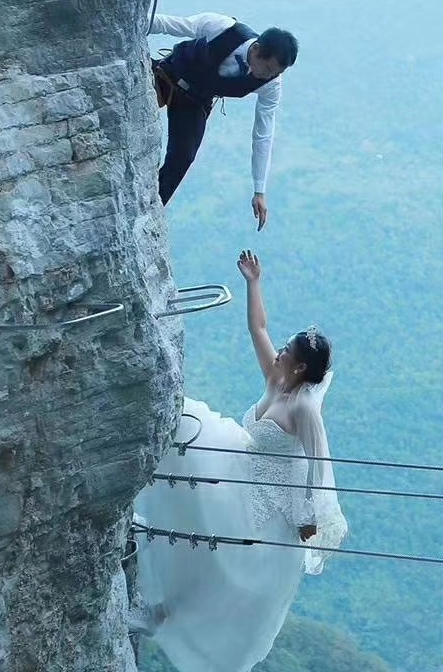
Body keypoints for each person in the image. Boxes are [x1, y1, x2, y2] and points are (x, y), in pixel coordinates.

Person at [130, 250, 346, 670]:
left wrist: (308, 515)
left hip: (267, 499)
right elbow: (258, 327)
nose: (279, 351)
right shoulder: (277, 378)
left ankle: (162, 612)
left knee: (218, 561)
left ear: (301, 367)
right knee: (187, 426)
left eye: (287, 350)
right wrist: (253, 282)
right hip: (240, 464)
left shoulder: (304, 408)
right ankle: (139, 515)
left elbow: (319, 463)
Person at [149, 12, 299, 226]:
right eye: (266, 69)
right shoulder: (223, 28)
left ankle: (148, 209)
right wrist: (129, 23)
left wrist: (259, 189)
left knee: (183, 158)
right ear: (256, 50)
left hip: (194, 102)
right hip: (168, 74)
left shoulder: (271, 83)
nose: (268, 76)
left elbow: (263, 133)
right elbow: (169, 24)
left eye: (275, 73)